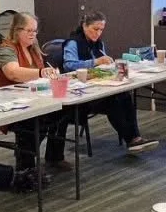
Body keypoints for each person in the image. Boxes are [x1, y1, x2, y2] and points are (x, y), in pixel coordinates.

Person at [0, 12, 70, 188]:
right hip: (6, 103)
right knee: (31, 122)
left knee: (63, 111)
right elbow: (13, 73)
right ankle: (26, 167)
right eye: (29, 30)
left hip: (30, 98)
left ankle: (53, 156)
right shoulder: (6, 49)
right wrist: (41, 73)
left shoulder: (33, 48)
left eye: (35, 31)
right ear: (17, 31)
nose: (33, 34)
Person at [60, 10, 158, 154]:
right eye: (95, 29)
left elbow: (102, 64)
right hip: (81, 93)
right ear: (84, 26)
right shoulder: (73, 43)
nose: (98, 33)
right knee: (114, 101)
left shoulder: (98, 44)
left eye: (101, 30)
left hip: (98, 85)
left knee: (124, 96)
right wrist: (95, 62)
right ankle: (131, 140)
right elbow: (69, 65)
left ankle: (136, 137)